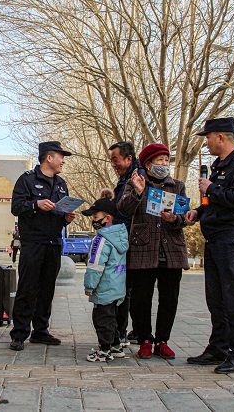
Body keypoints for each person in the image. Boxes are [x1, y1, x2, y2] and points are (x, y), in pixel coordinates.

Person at [185, 117, 234, 374]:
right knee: (216, 298)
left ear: (221, 137)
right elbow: (214, 202)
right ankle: (218, 348)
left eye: (208, 137)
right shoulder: (219, 166)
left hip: (232, 238)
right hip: (215, 238)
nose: (206, 143)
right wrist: (197, 212)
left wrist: (212, 188)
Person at [117, 143, 189, 360]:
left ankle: (162, 340)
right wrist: (138, 193)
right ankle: (145, 339)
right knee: (141, 298)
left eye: (167, 160)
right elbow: (123, 209)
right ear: (148, 164)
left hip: (171, 250)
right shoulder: (136, 182)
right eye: (160, 160)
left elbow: (184, 218)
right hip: (143, 248)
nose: (164, 164)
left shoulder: (177, 186)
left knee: (169, 298)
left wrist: (175, 219)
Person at [9, 141, 76, 351]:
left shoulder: (61, 184)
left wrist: (67, 217)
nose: (63, 161)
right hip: (33, 243)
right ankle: (19, 334)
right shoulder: (26, 180)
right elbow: (16, 207)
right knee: (27, 287)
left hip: (54, 242)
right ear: (49, 157)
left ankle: (40, 331)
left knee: (47, 289)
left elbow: (61, 211)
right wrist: (36, 204)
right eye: (60, 156)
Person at [82, 196, 128, 362]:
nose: (94, 221)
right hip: (117, 286)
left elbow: (95, 265)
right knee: (112, 318)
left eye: (95, 217)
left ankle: (104, 351)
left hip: (104, 287)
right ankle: (115, 346)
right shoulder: (121, 236)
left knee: (101, 319)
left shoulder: (101, 239)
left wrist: (89, 286)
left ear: (107, 218)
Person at [108, 141, 141, 345]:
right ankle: (128, 330)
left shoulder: (136, 179)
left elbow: (127, 210)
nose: (113, 164)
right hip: (122, 237)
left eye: (115, 159)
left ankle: (120, 332)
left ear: (128, 159)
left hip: (129, 239)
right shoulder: (125, 179)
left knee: (124, 287)